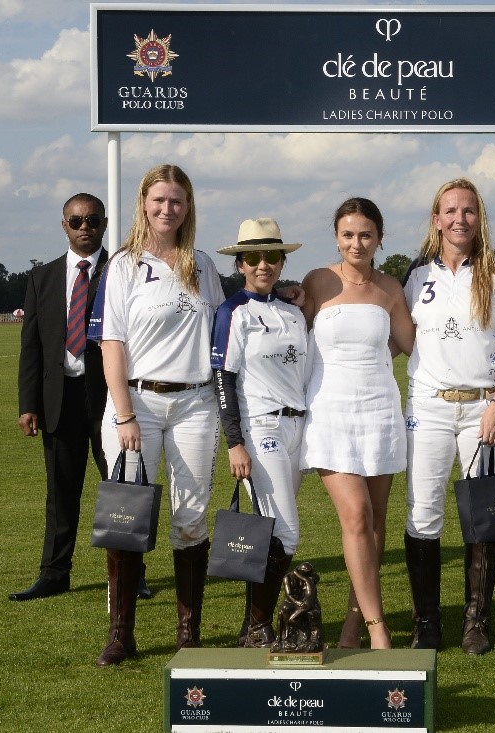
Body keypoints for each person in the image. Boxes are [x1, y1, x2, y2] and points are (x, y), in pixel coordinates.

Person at [87, 164, 225, 666]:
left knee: (190, 519)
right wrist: (123, 414)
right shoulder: (123, 265)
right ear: (143, 203)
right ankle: (121, 634)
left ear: (189, 208)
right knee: (127, 521)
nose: (168, 209)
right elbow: (111, 343)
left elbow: (224, 331)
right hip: (136, 405)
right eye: (159, 200)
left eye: (178, 201)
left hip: (195, 404)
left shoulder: (203, 265)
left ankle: (189, 634)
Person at [400, 179, 495, 654]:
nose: (460, 219)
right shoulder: (415, 275)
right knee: (423, 515)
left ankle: (477, 619)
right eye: (450, 211)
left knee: (483, 518)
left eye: (469, 211)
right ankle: (427, 622)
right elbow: (391, 331)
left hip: (483, 409)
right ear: (436, 219)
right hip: (429, 408)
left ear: (480, 218)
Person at [13, 193, 151, 602]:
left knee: (123, 489)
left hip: (112, 399)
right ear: (64, 226)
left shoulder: (121, 270)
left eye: (92, 220)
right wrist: (28, 403)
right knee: (61, 492)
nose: (85, 227)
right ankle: (54, 573)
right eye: (76, 221)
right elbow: (32, 346)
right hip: (60, 400)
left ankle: (132, 574)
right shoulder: (43, 277)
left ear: (104, 223)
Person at [300, 197, 415, 650]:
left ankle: (352, 627)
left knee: (376, 522)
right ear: (336, 237)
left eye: (366, 234)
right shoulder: (317, 281)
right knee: (356, 515)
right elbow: (291, 331)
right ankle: (378, 630)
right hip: (330, 412)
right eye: (348, 234)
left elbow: (409, 341)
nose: (356, 243)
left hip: (380, 412)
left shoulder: (390, 288)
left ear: (380, 238)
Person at [211, 217, 308, 647]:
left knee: (270, 531)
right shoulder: (232, 313)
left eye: (271, 256)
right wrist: (235, 442)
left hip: (298, 427)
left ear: (283, 260)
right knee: (285, 530)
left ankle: (254, 626)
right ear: (241, 265)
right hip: (260, 426)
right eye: (253, 258)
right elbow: (223, 379)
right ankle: (257, 626)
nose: (263, 265)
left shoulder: (293, 312)